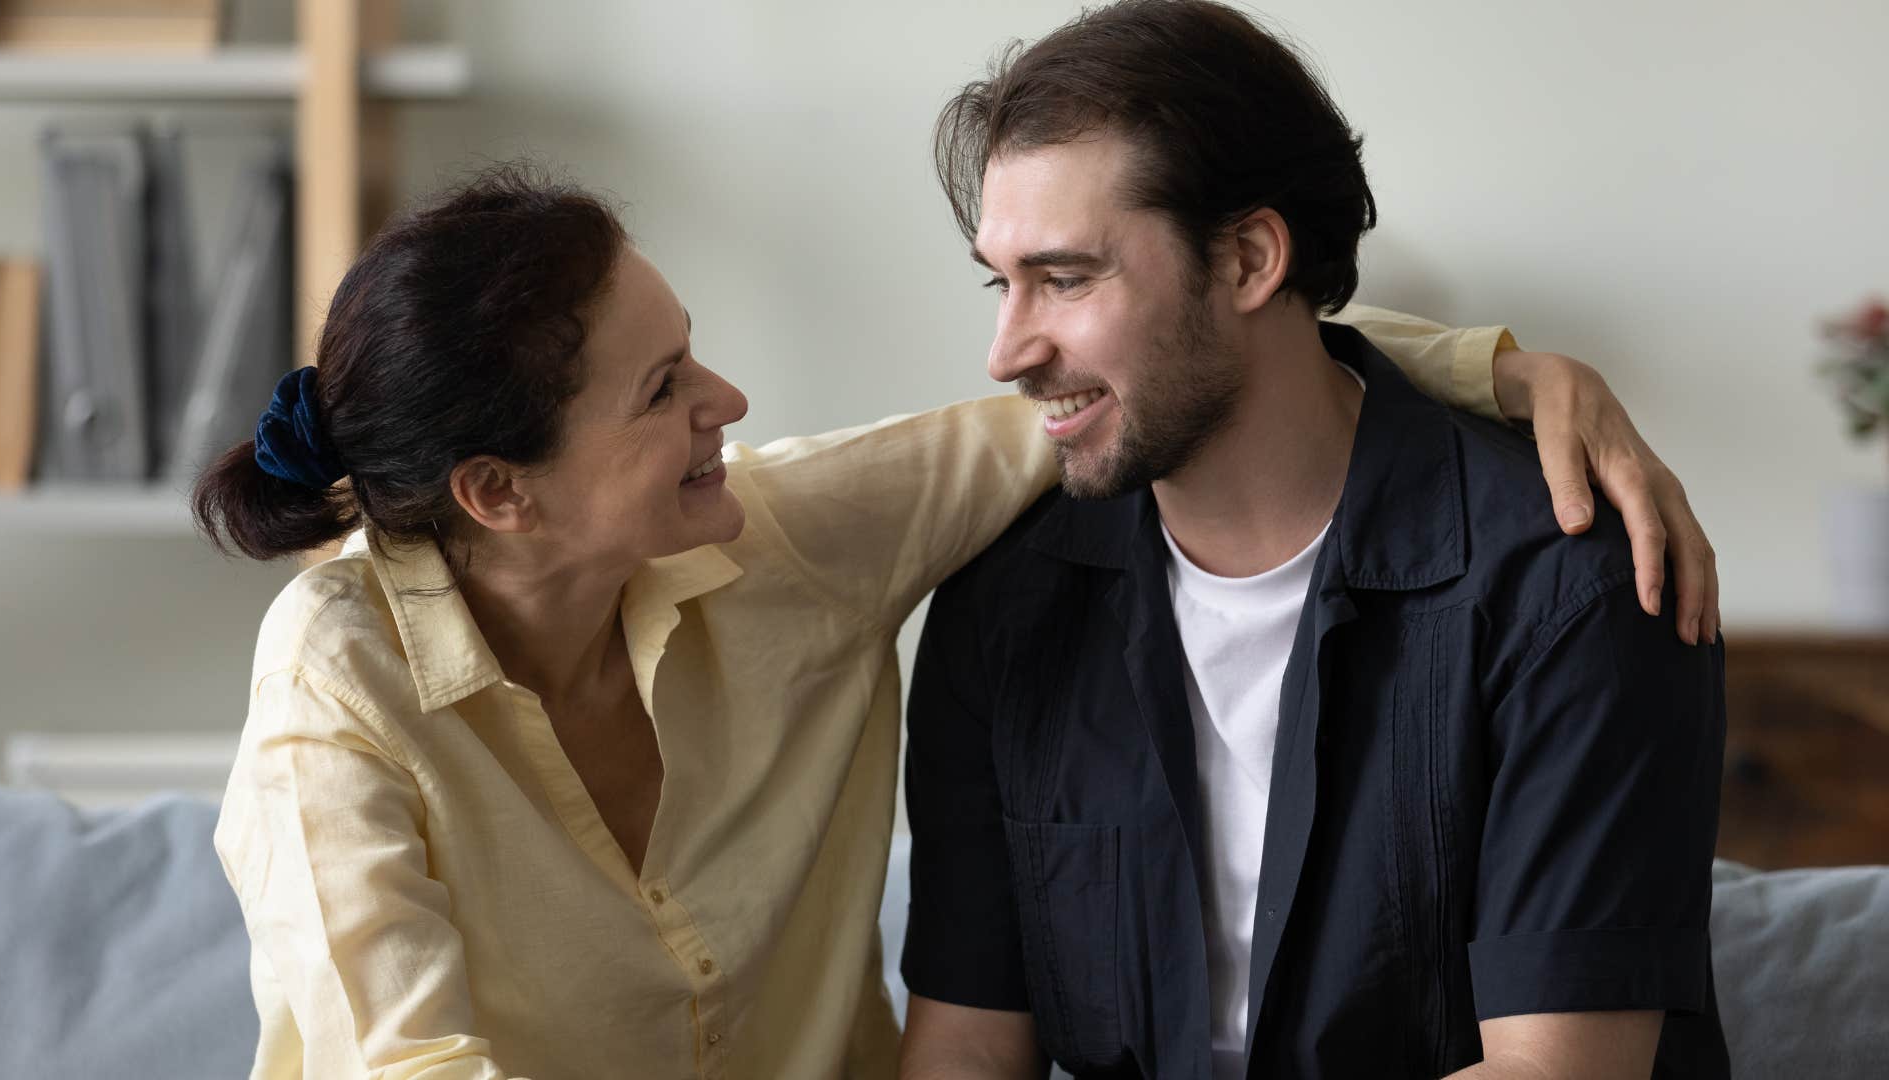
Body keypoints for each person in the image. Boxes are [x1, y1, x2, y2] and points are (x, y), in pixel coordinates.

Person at [195, 123, 1715, 1080]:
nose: (730, 399)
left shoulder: (785, 541)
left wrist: (1510, 370)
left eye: (695, 349)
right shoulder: (337, 689)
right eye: (665, 391)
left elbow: (1161, 374)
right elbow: (409, 1061)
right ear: (498, 494)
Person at [897, 3, 1728, 1078]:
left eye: (1064, 279)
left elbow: (1556, 1071)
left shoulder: (1572, 584)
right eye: (998, 282)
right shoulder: (1007, 605)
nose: (1007, 351)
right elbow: (964, 1053)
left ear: (1248, 258)